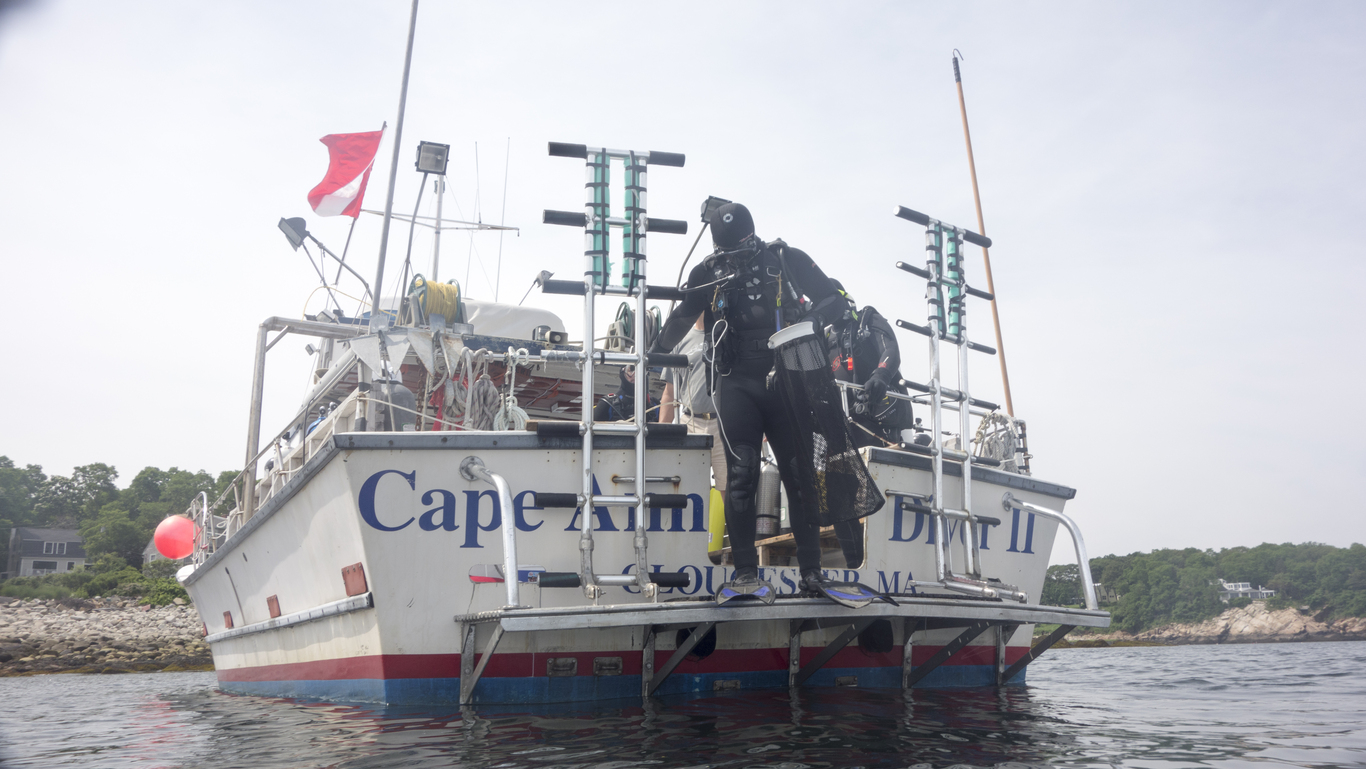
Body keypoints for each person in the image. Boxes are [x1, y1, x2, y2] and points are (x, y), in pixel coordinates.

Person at [651, 202, 855, 601]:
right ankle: (745, 572)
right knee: (742, 475)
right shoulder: (707, 273)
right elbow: (682, 318)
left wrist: (809, 322)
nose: (736, 259)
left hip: (786, 379)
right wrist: (651, 355)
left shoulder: (785, 260)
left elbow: (834, 300)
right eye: (728, 253)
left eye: (741, 249)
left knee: (799, 476)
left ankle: (812, 573)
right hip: (736, 383)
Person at [826, 280, 915, 567]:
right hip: (847, 427)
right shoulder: (825, 339)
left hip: (883, 423)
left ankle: (891, 560)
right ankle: (856, 563)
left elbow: (891, 350)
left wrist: (880, 376)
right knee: (838, 495)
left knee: (884, 489)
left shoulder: (867, 319)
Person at [659, 316, 727, 499]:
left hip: (724, 425)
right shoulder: (680, 340)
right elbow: (670, 392)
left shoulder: (727, 333)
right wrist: (661, 431)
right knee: (688, 489)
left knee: (730, 491)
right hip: (690, 424)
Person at [592, 364, 658, 422]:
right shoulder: (607, 404)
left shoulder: (655, 405)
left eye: (640, 371)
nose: (635, 375)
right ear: (623, 372)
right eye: (631, 370)